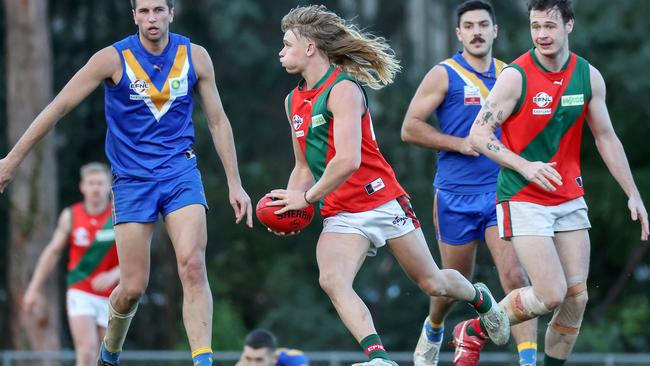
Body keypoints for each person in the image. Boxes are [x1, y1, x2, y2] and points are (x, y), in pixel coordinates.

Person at [0, 0, 253, 365]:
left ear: (171, 12)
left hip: (181, 173)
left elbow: (217, 121)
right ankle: (111, 353)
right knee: (132, 288)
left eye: (158, 11)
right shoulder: (112, 59)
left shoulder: (195, 57)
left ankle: (203, 360)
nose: (152, 19)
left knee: (193, 265)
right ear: (133, 15)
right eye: (144, 11)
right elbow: (58, 107)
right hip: (133, 182)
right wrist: (11, 160)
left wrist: (235, 183)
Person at [267, 5, 509, 366]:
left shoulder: (343, 90)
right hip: (340, 211)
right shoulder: (293, 101)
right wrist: (294, 207)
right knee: (332, 279)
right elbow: (303, 166)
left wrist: (307, 197)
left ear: (310, 47)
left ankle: (481, 299)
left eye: (287, 44)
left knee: (433, 283)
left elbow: (346, 161)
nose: (281, 52)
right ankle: (378, 358)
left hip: (380, 200)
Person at [453, 0, 649, 365]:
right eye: (535, 27)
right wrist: (525, 166)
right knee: (552, 294)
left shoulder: (588, 76)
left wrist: (633, 194)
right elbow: (479, 134)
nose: (542, 35)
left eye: (550, 26)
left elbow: (606, 137)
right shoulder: (516, 76)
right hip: (522, 195)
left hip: (568, 195)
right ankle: (475, 329)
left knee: (577, 297)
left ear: (569, 26)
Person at [400, 1, 538, 365]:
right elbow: (410, 127)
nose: (477, 32)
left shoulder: (512, 74)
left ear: (496, 31)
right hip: (454, 194)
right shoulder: (443, 74)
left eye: (483, 25)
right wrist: (459, 142)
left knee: (515, 275)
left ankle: (527, 360)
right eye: (469, 26)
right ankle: (433, 326)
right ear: (458, 33)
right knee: (454, 282)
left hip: (500, 191)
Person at [23, 162, 118, 366]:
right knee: (86, 350)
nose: (95, 188)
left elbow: (137, 257)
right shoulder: (71, 216)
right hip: (80, 290)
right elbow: (53, 251)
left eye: (100, 183)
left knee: (107, 354)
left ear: (109, 187)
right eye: (91, 183)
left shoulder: (119, 215)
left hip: (114, 295)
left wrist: (114, 275)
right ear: (82, 186)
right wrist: (33, 288)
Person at [236, 329, 309, 366]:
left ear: (274, 358)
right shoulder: (243, 363)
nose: (252, 365)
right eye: (248, 358)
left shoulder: (294, 359)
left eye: (259, 360)